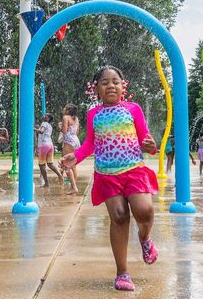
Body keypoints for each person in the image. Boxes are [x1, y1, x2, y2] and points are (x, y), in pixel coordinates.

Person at [59, 66, 158, 292]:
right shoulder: (94, 113)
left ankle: (145, 239)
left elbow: (145, 139)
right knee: (119, 216)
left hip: (133, 169)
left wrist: (150, 147)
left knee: (145, 211)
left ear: (124, 86)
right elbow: (90, 144)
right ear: (97, 90)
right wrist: (76, 157)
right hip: (107, 174)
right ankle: (122, 272)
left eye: (115, 81)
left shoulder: (133, 109)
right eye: (104, 82)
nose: (111, 85)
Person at [58, 104, 81, 195]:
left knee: (65, 164)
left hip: (68, 141)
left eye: (65, 108)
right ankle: (73, 185)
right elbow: (77, 131)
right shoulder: (76, 119)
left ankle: (74, 187)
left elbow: (64, 131)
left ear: (68, 110)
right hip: (76, 140)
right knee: (73, 165)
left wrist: (60, 127)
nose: (63, 109)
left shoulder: (65, 117)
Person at [35, 113, 61, 187]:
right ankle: (60, 175)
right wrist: (37, 129)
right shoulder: (50, 126)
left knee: (41, 165)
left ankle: (46, 183)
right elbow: (40, 134)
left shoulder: (44, 123)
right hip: (50, 145)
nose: (44, 116)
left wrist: (32, 128)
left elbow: (41, 131)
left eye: (46, 116)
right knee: (50, 164)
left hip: (43, 146)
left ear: (48, 118)